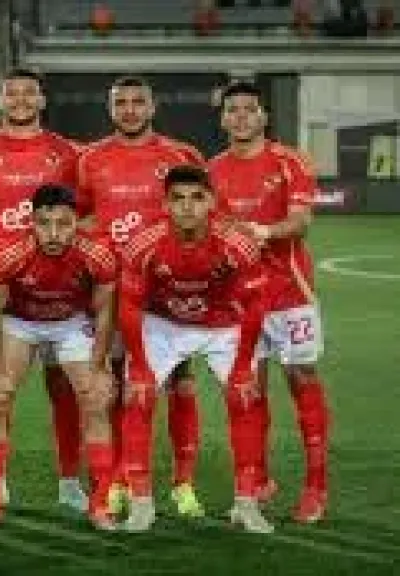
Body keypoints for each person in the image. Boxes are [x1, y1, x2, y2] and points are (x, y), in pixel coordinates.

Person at [117, 165, 272, 533]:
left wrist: (243, 365)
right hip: (164, 325)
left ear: (212, 203)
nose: (187, 207)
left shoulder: (237, 243)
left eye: (197, 198)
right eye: (178, 199)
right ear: (165, 205)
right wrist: (140, 365)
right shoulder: (144, 244)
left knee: (245, 397)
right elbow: (129, 306)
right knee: (138, 396)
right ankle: (141, 504)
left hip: (222, 325)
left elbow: (255, 305)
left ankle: (246, 503)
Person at [76, 75, 206, 516]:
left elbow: (201, 213)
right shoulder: (90, 158)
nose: (129, 110)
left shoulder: (181, 156)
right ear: (111, 109)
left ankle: (183, 484)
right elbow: (79, 217)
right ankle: (118, 478)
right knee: (116, 383)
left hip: (167, 287)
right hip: (114, 288)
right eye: (121, 103)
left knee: (179, 380)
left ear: (152, 107)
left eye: (138, 102)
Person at [0, 68, 88, 510]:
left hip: (61, 295)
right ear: (0, 101)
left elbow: (88, 212)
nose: (20, 100)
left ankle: (70, 481)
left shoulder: (69, 154)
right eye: (12, 93)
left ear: (42, 100)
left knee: (66, 391)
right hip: (3, 297)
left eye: (28, 93)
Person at [209, 81, 330, 523]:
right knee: (248, 390)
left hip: (289, 294)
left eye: (249, 109)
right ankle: (257, 482)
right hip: (239, 299)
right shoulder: (212, 170)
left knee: (301, 379)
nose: (241, 117)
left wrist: (263, 232)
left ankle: (316, 486)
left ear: (264, 116)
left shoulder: (289, 161)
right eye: (233, 110)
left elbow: (301, 220)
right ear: (223, 118)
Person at [0, 184, 118, 530]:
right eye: (44, 223)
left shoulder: (97, 255)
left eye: (63, 224)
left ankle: (100, 507)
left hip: (71, 323)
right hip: (21, 323)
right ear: (32, 223)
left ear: (76, 223)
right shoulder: (8, 255)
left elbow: (104, 313)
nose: (53, 234)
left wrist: (100, 367)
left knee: (97, 398)